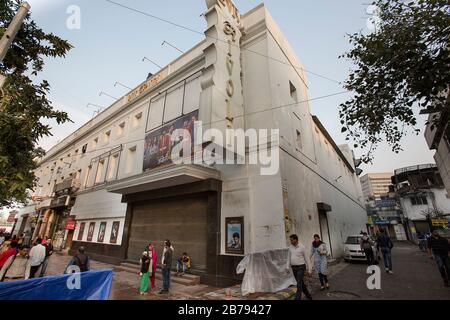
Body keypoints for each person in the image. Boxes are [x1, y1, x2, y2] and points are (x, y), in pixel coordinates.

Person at [289, 234, 313, 300]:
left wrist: (309, 270)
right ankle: (308, 296)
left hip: (301, 268)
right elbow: (288, 258)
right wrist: (287, 267)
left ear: (296, 240)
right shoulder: (290, 247)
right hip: (294, 268)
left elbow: (307, 259)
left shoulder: (302, 247)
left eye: (291, 240)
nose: (290, 241)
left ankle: (297, 298)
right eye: (290, 240)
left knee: (299, 284)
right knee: (301, 283)